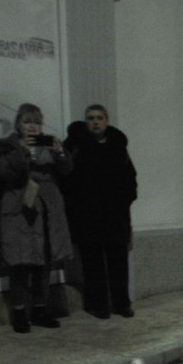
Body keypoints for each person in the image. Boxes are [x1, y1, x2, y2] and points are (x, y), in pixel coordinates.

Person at [0, 103, 73, 333]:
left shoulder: (47, 143)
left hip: (46, 209)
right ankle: (19, 312)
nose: (32, 126)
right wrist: (23, 152)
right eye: (27, 121)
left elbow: (66, 170)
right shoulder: (7, 146)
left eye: (36, 122)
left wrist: (60, 153)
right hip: (20, 209)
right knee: (20, 262)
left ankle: (40, 309)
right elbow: (2, 173)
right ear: (18, 124)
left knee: (43, 263)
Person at [63, 104, 138, 319]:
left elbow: (130, 178)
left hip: (115, 216)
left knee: (118, 263)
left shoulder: (118, 145)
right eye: (90, 118)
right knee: (93, 264)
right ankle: (99, 305)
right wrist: (78, 206)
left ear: (106, 121)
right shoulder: (77, 145)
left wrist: (124, 201)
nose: (95, 122)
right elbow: (68, 178)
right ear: (85, 122)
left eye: (99, 118)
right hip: (88, 216)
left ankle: (121, 303)